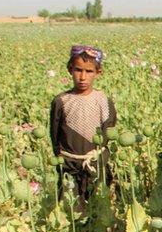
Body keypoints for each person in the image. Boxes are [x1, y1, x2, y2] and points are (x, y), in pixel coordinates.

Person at [49, 45, 117, 208]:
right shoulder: (61, 101)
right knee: (71, 210)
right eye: (78, 70)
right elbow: (55, 136)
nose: (82, 77)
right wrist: (65, 161)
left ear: (98, 73)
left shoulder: (103, 101)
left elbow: (109, 134)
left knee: (99, 208)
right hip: (69, 167)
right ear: (70, 70)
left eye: (89, 71)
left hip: (96, 165)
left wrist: (98, 160)